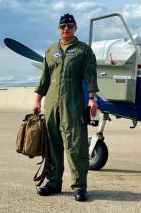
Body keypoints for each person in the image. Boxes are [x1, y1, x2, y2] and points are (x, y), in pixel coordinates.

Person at [33, 13, 99, 201]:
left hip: (73, 101)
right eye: (63, 26)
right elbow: (44, 79)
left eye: (70, 26)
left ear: (75, 28)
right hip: (52, 102)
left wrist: (92, 99)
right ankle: (53, 182)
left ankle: (79, 186)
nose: (66, 29)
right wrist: (37, 101)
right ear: (58, 29)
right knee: (52, 144)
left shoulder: (83, 51)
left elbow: (90, 76)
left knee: (75, 144)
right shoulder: (50, 51)